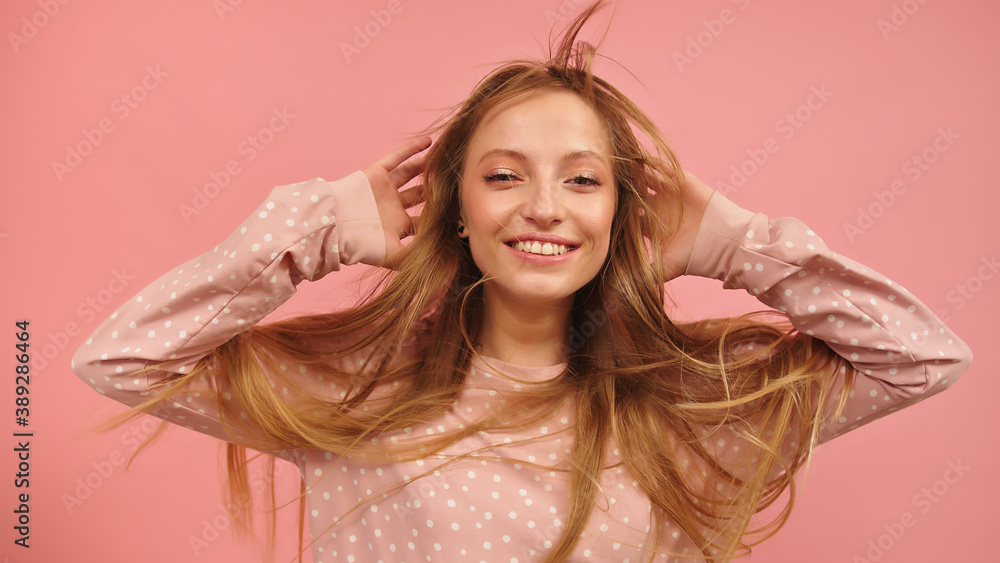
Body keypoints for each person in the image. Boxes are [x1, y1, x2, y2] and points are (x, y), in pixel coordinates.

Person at [71, 3, 971, 562]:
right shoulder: (356, 393)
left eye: (583, 180)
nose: (544, 207)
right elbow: (121, 360)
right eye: (504, 176)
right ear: (456, 208)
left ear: (622, 214)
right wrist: (314, 232)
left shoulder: (701, 407)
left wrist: (738, 244)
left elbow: (922, 357)